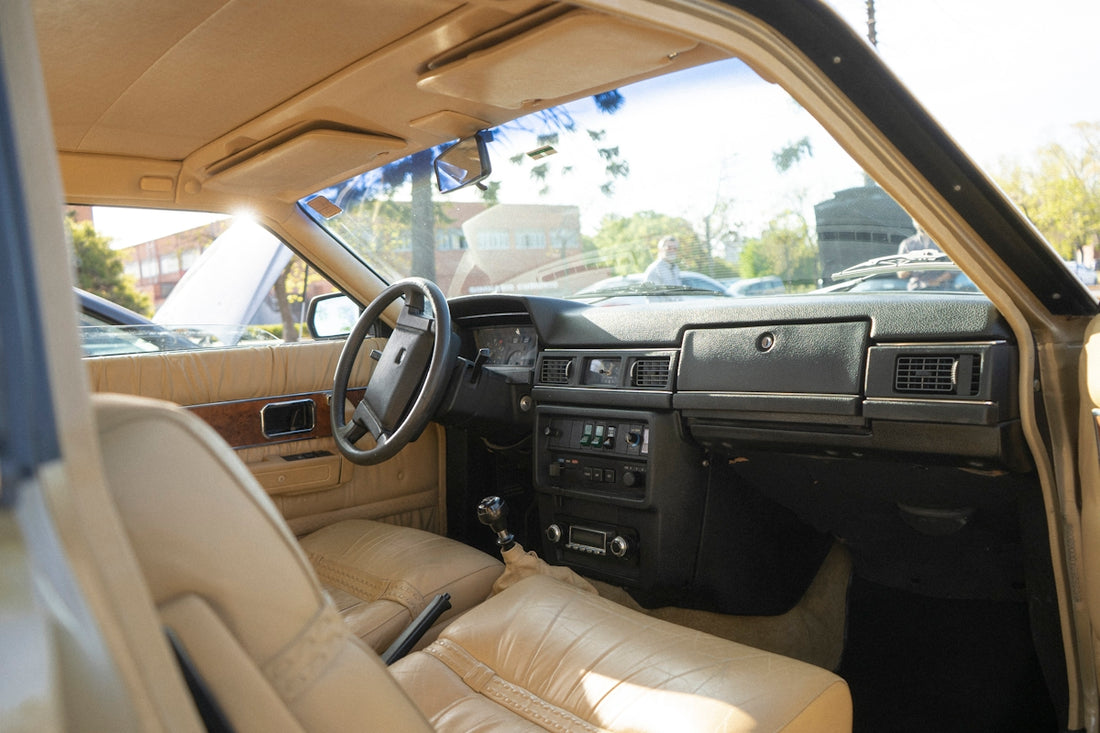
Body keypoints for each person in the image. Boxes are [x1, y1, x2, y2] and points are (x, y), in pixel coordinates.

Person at [897, 222, 954, 290]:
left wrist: (938, 280)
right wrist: (914, 262)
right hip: (916, 289)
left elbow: (956, 268)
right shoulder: (907, 244)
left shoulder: (943, 242)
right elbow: (900, 274)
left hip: (942, 289)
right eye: (915, 218)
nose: (919, 221)